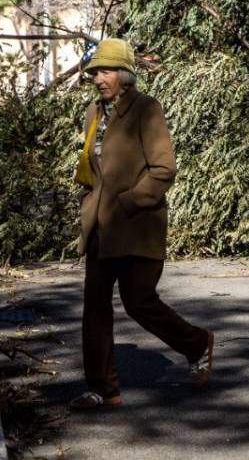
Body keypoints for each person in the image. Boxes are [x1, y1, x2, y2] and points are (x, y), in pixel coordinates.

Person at [69, 38, 213, 410]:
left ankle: (197, 343)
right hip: (100, 227)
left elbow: (164, 169)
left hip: (137, 224)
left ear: (125, 74)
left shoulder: (147, 108)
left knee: (139, 301)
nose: (99, 79)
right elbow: (93, 167)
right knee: (95, 308)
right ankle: (103, 389)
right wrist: (88, 203)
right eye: (95, 72)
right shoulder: (93, 112)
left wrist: (128, 201)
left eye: (106, 71)